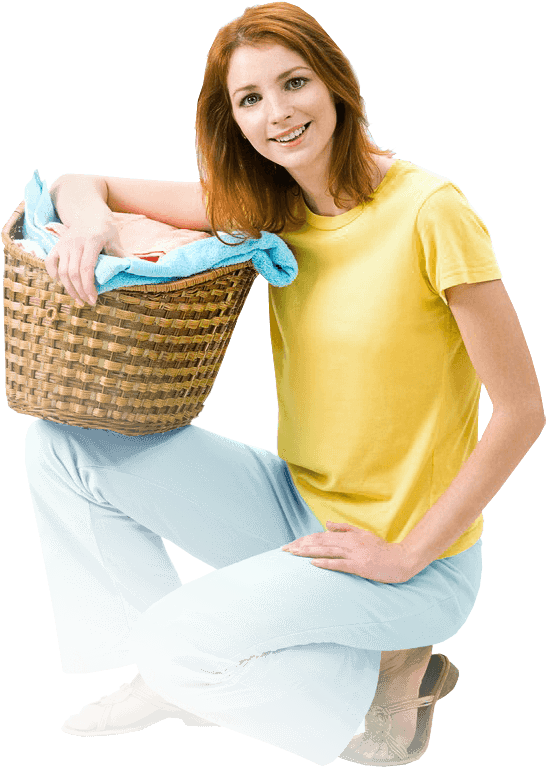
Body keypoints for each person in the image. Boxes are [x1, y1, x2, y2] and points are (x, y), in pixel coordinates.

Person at [27, 3, 543, 765]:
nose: (278, 113)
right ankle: (172, 672)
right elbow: (79, 182)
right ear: (233, 120)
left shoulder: (433, 210)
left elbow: (523, 412)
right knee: (61, 445)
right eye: (251, 99)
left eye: (293, 82)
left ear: (336, 82)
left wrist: (408, 557)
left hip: (412, 558)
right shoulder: (272, 211)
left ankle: (383, 665)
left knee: (180, 643)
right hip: (297, 508)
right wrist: (92, 228)